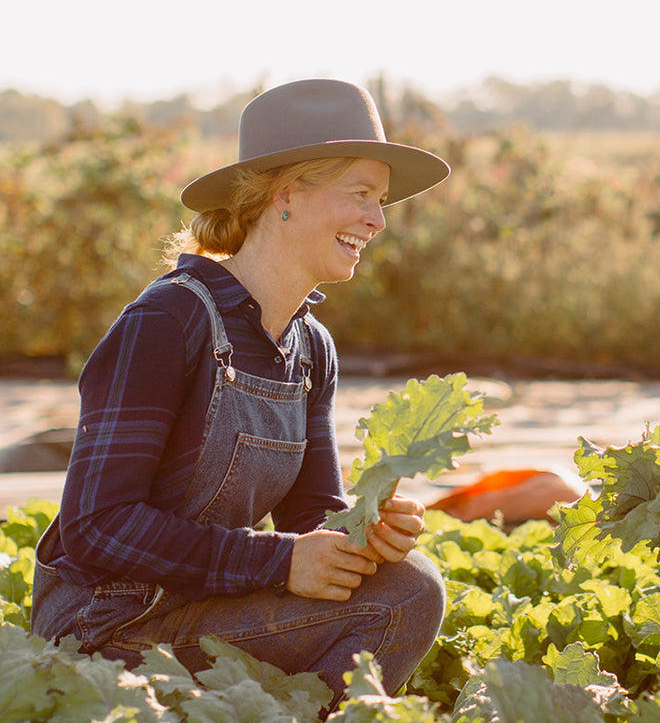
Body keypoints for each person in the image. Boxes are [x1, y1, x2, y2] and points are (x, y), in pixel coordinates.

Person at [31, 79, 451, 711]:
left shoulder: (312, 348)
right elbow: (96, 525)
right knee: (412, 596)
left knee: (407, 585)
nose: (378, 219)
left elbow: (312, 515)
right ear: (286, 195)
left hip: (203, 611)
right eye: (361, 195)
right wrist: (279, 563)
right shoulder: (168, 320)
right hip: (103, 627)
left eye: (382, 200)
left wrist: (364, 533)